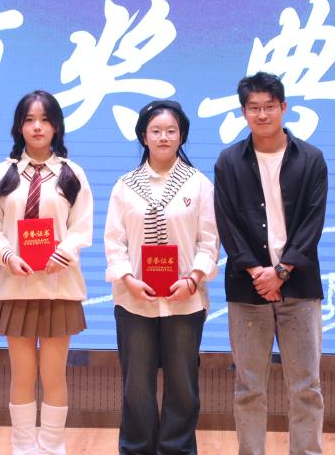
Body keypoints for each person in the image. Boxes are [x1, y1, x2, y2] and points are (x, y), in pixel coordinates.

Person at [213, 72, 327, 455]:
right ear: (243, 112)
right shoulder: (229, 162)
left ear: (283, 107)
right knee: (248, 387)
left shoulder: (310, 159)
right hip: (247, 290)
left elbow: (312, 224)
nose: (262, 115)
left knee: (306, 387)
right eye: (253, 108)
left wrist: (281, 271)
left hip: (300, 287)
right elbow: (227, 224)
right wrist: (256, 271)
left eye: (269, 107)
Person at [104, 99, 220, 455]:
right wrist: (128, 279)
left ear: (181, 135)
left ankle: (177, 449)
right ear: (144, 136)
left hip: (185, 301)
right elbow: (114, 241)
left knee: (182, 384)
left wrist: (193, 279)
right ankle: (136, 448)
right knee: (136, 385)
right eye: (156, 131)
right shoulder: (125, 185)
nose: (164, 137)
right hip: (134, 301)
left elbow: (209, 240)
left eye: (171, 131)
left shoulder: (198, 184)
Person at [0, 91, 93, 455]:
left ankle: (53, 447)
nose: (37, 127)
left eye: (45, 120)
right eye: (29, 120)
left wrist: (65, 251)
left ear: (56, 126)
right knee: (22, 375)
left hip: (60, 287)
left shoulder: (72, 174)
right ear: (19, 127)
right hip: (16, 287)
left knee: (54, 374)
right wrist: (7, 256)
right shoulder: (2, 174)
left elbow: (81, 227)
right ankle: (24, 446)